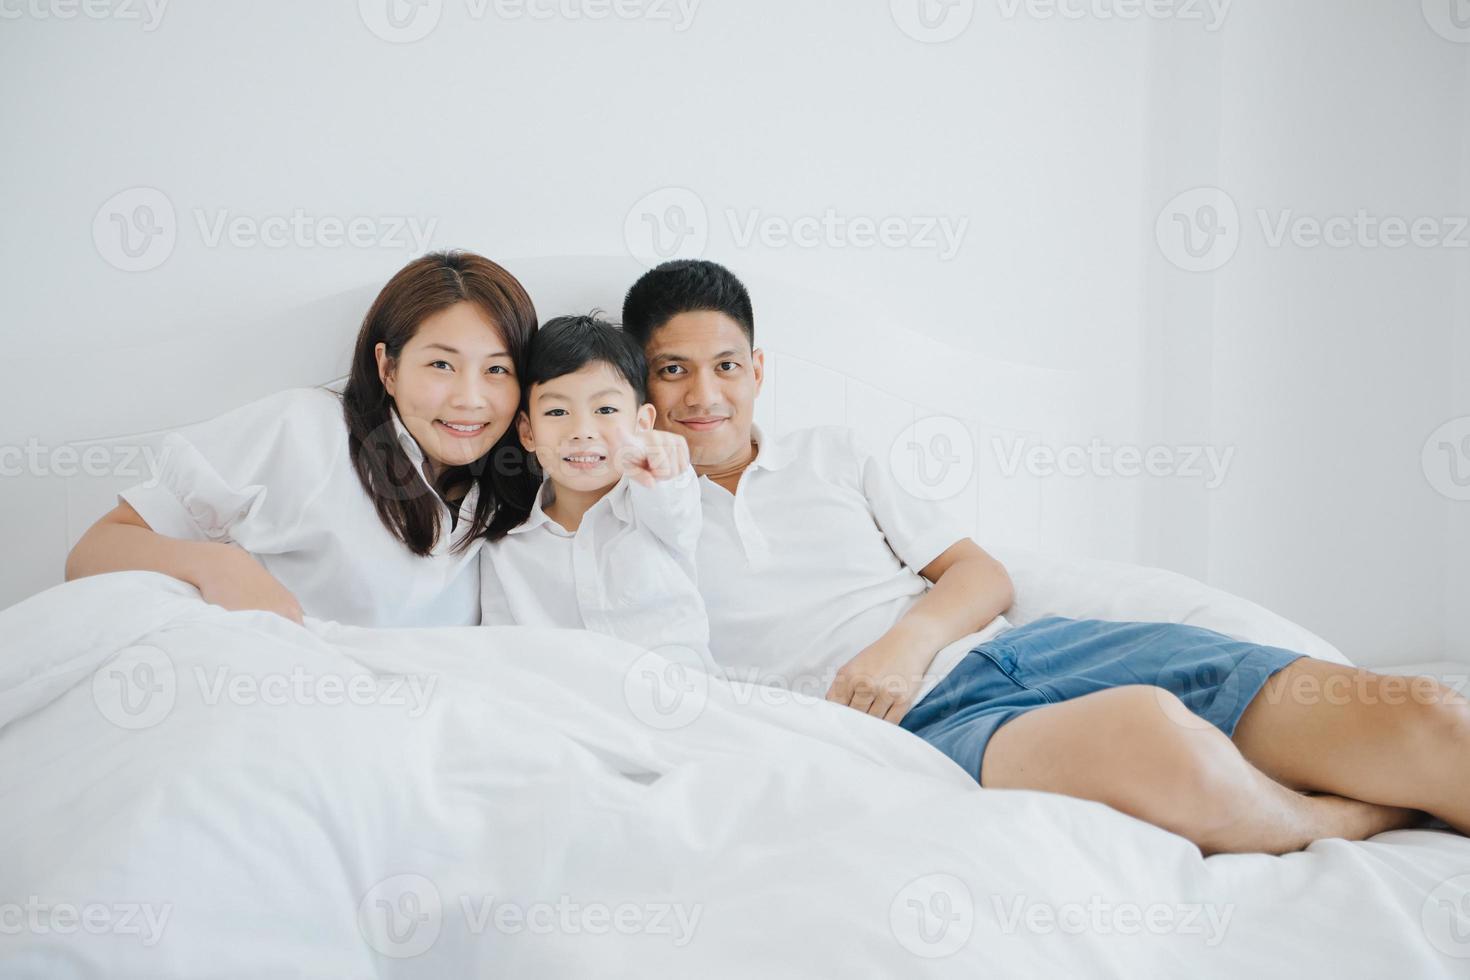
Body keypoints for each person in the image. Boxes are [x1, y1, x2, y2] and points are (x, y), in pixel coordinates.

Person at [620, 258, 1468, 856]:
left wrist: (902, 645)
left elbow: (984, 575)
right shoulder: (631, 525)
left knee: (1429, 716)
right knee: (1165, 751)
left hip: (1030, 648)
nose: (703, 395)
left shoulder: (834, 453)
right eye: (673, 371)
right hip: (932, 730)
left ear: (759, 370)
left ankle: (1392, 790)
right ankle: (1355, 821)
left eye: (725, 365)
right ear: (639, 386)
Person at [64, 250, 540, 628]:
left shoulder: (517, 500)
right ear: (388, 368)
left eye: (497, 369)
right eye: (441, 364)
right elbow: (93, 553)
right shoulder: (304, 430)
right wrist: (214, 565)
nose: (469, 398)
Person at [480, 313, 717, 674]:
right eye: (557, 411)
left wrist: (664, 463)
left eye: (605, 410)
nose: (582, 430)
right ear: (527, 432)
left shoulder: (653, 509)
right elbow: (501, 658)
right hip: (567, 713)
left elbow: (675, 503)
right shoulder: (505, 549)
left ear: (641, 423)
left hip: (679, 702)